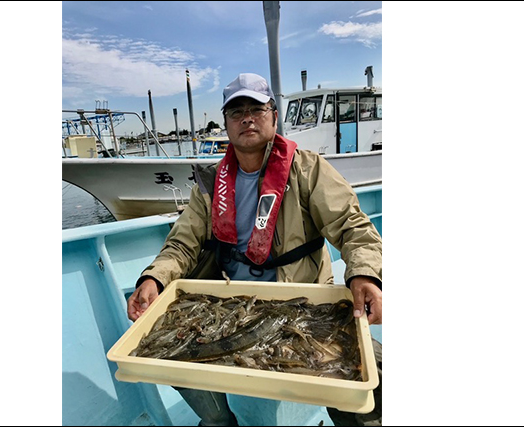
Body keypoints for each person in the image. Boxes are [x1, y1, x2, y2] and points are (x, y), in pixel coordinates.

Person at [127, 73, 383, 426]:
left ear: (274, 116)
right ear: (227, 124)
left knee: (368, 382)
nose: (247, 118)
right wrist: (154, 277)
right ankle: (217, 420)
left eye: (256, 109)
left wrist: (365, 273)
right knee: (166, 349)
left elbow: (352, 226)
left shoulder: (307, 170)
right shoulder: (209, 184)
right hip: (233, 306)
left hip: (301, 303)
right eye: (236, 112)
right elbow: (182, 244)